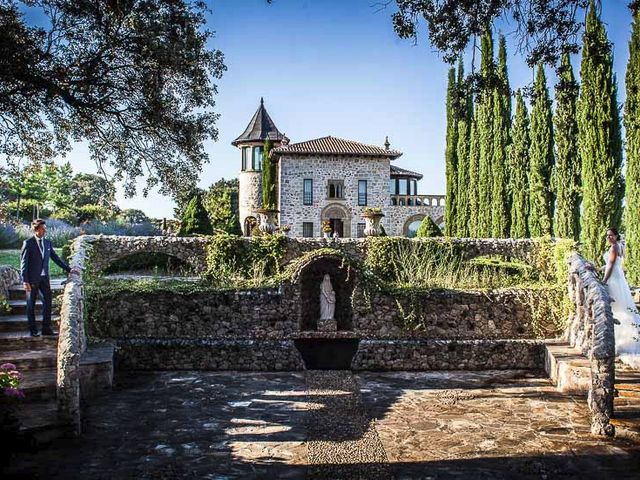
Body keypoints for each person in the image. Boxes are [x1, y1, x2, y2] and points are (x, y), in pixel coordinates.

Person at [20, 219, 78, 337]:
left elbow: (55, 258)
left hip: (44, 278)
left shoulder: (47, 243)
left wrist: (69, 269)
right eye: (43, 228)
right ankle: (33, 330)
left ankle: (46, 328)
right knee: (31, 305)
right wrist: (25, 281)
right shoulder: (28, 243)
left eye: (45, 228)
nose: (45, 230)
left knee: (48, 302)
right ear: (36, 229)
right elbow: (23, 263)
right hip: (32, 279)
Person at [602, 227, 640, 368]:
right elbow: (609, 264)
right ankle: (623, 339)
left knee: (617, 308)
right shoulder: (618, 246)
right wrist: (596, 268)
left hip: (614, 280)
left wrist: (604, 281)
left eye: (611, 235)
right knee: (621, 308)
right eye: (607, 236)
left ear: (616, 236)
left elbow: (611, 265)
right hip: (618, 278)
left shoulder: (614, 247)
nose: (609, 237)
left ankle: (623, 341)